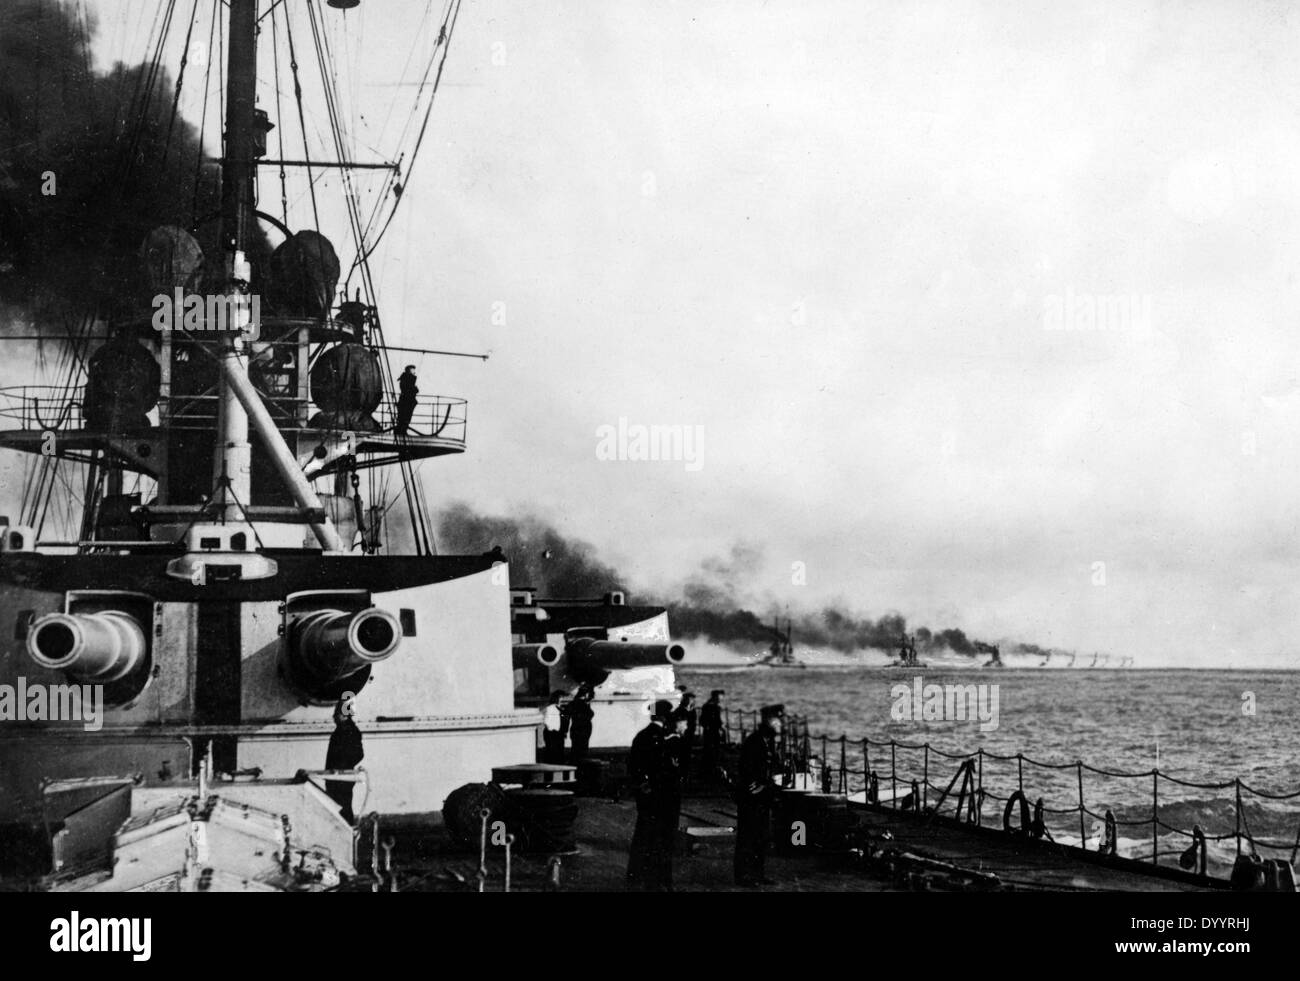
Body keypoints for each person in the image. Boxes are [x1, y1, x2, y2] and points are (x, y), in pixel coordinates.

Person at [734, 703, 784, 887]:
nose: (780, 725)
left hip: (763, 798)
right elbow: (747, 769)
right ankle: (743, 875)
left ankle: (757, 873)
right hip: (751, 797)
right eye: (778, 721)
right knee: (748, 836)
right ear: (769, 721)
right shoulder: (754, 742)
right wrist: (760, 784)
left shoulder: (766, 741)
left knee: (760, 836)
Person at [627, 699, 673, 891]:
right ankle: (654, 879)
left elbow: (633, 766)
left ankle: (635, 875)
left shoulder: (642, 736)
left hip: (645, 796)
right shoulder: (661, 737)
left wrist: (641, 786)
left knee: (643, 836)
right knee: (657, 839)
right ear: (664, 716)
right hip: (658, 796)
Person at [325, 693, 364, 823]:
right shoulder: (341, 731)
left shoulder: (349, 732)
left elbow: (358, 754)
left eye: (336, 714)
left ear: (344, 715)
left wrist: (341, 766)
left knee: (343, 809)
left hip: (341, 778)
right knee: (340, 809)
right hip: (336, 778)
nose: (334, 717)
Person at [567, 684, 595, 763]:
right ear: (586, 694)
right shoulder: (583, 704)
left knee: (575, 748)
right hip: (583, 730)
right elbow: (590, 714)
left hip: (576, 729)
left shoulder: (573, 703)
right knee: (582, 749)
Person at [700, 689, 725, 778]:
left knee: (711, 751)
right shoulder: (711, 707)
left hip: (711, 731)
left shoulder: (708, 706)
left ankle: (709, 769)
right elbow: (706, 720)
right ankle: (711, 770)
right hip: (712, 732)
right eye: (719, 697)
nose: (721, 699)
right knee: (712, 751)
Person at [676, 691, 698, 778]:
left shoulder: (692, 711)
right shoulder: (680, 710)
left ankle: (686, 772)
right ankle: (682, 773)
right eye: (689, 699)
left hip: (689, 735)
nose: (691, 701)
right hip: (682, 736)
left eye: (692, 699)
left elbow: (694, 723)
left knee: (687, 755)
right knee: (682, 755)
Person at [542, 690, 566, 764]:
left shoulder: (560, 708)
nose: (561, 699)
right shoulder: (550, 708)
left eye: (562, 697)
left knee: (559, 753)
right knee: (552, 753)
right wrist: (552, 730)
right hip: (552, 733)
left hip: (559, 733)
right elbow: (546, 721)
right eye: (560, 697)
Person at [395, 364, 419, 434]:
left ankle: (402, 429)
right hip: (407, 401)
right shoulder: (407, 380)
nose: (414, 373)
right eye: (413, 371)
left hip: (407, 401)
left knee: (405, 417)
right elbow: (413, 390)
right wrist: (415, 389)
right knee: (405, 417)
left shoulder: (405, 379)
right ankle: (402, 430)